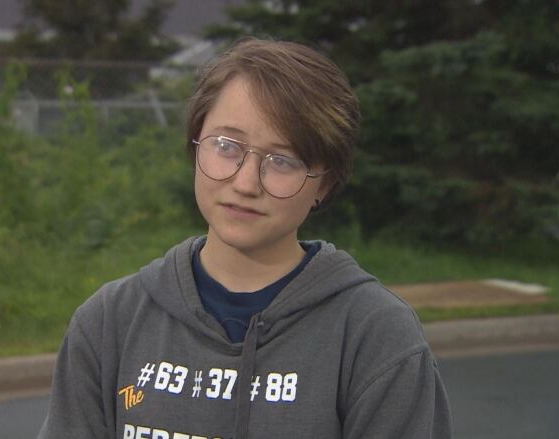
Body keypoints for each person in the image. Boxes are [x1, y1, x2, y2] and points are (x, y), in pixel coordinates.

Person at [38, 38, 452, 439]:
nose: (246, 182)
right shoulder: (110, 323)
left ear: (325, 183)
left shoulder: (375, 337)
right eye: (226, 146)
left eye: (283, 160)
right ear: (195, 143)